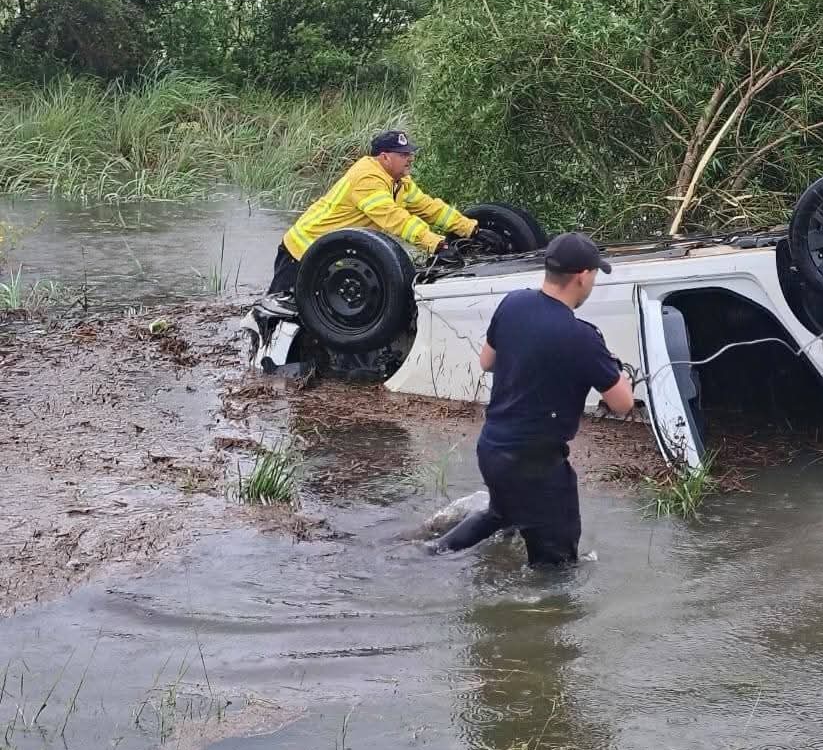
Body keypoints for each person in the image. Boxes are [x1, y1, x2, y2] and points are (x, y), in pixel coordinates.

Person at [427, 232, 635, 566]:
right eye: (595, 274)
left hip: (493, 451)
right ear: (582, 276)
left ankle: (427, 554)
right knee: (558, 568)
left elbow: (487, 362)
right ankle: (538, 613)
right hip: (537, 468)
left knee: (501, 512)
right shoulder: (582, 337)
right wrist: (611, 365)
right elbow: (623, 404)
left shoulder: (514, 303)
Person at [262, 129, 490, 306]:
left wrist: (471, 229)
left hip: (329, 254)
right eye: (403, 154)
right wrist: (437, 244)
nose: (410, 158)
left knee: (324, 311)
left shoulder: (399, 181)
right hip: (301, 252)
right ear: (384, 157)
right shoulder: (367, 179)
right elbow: (395, 219)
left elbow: (430, 208)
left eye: (410, 153)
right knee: (280, 313)